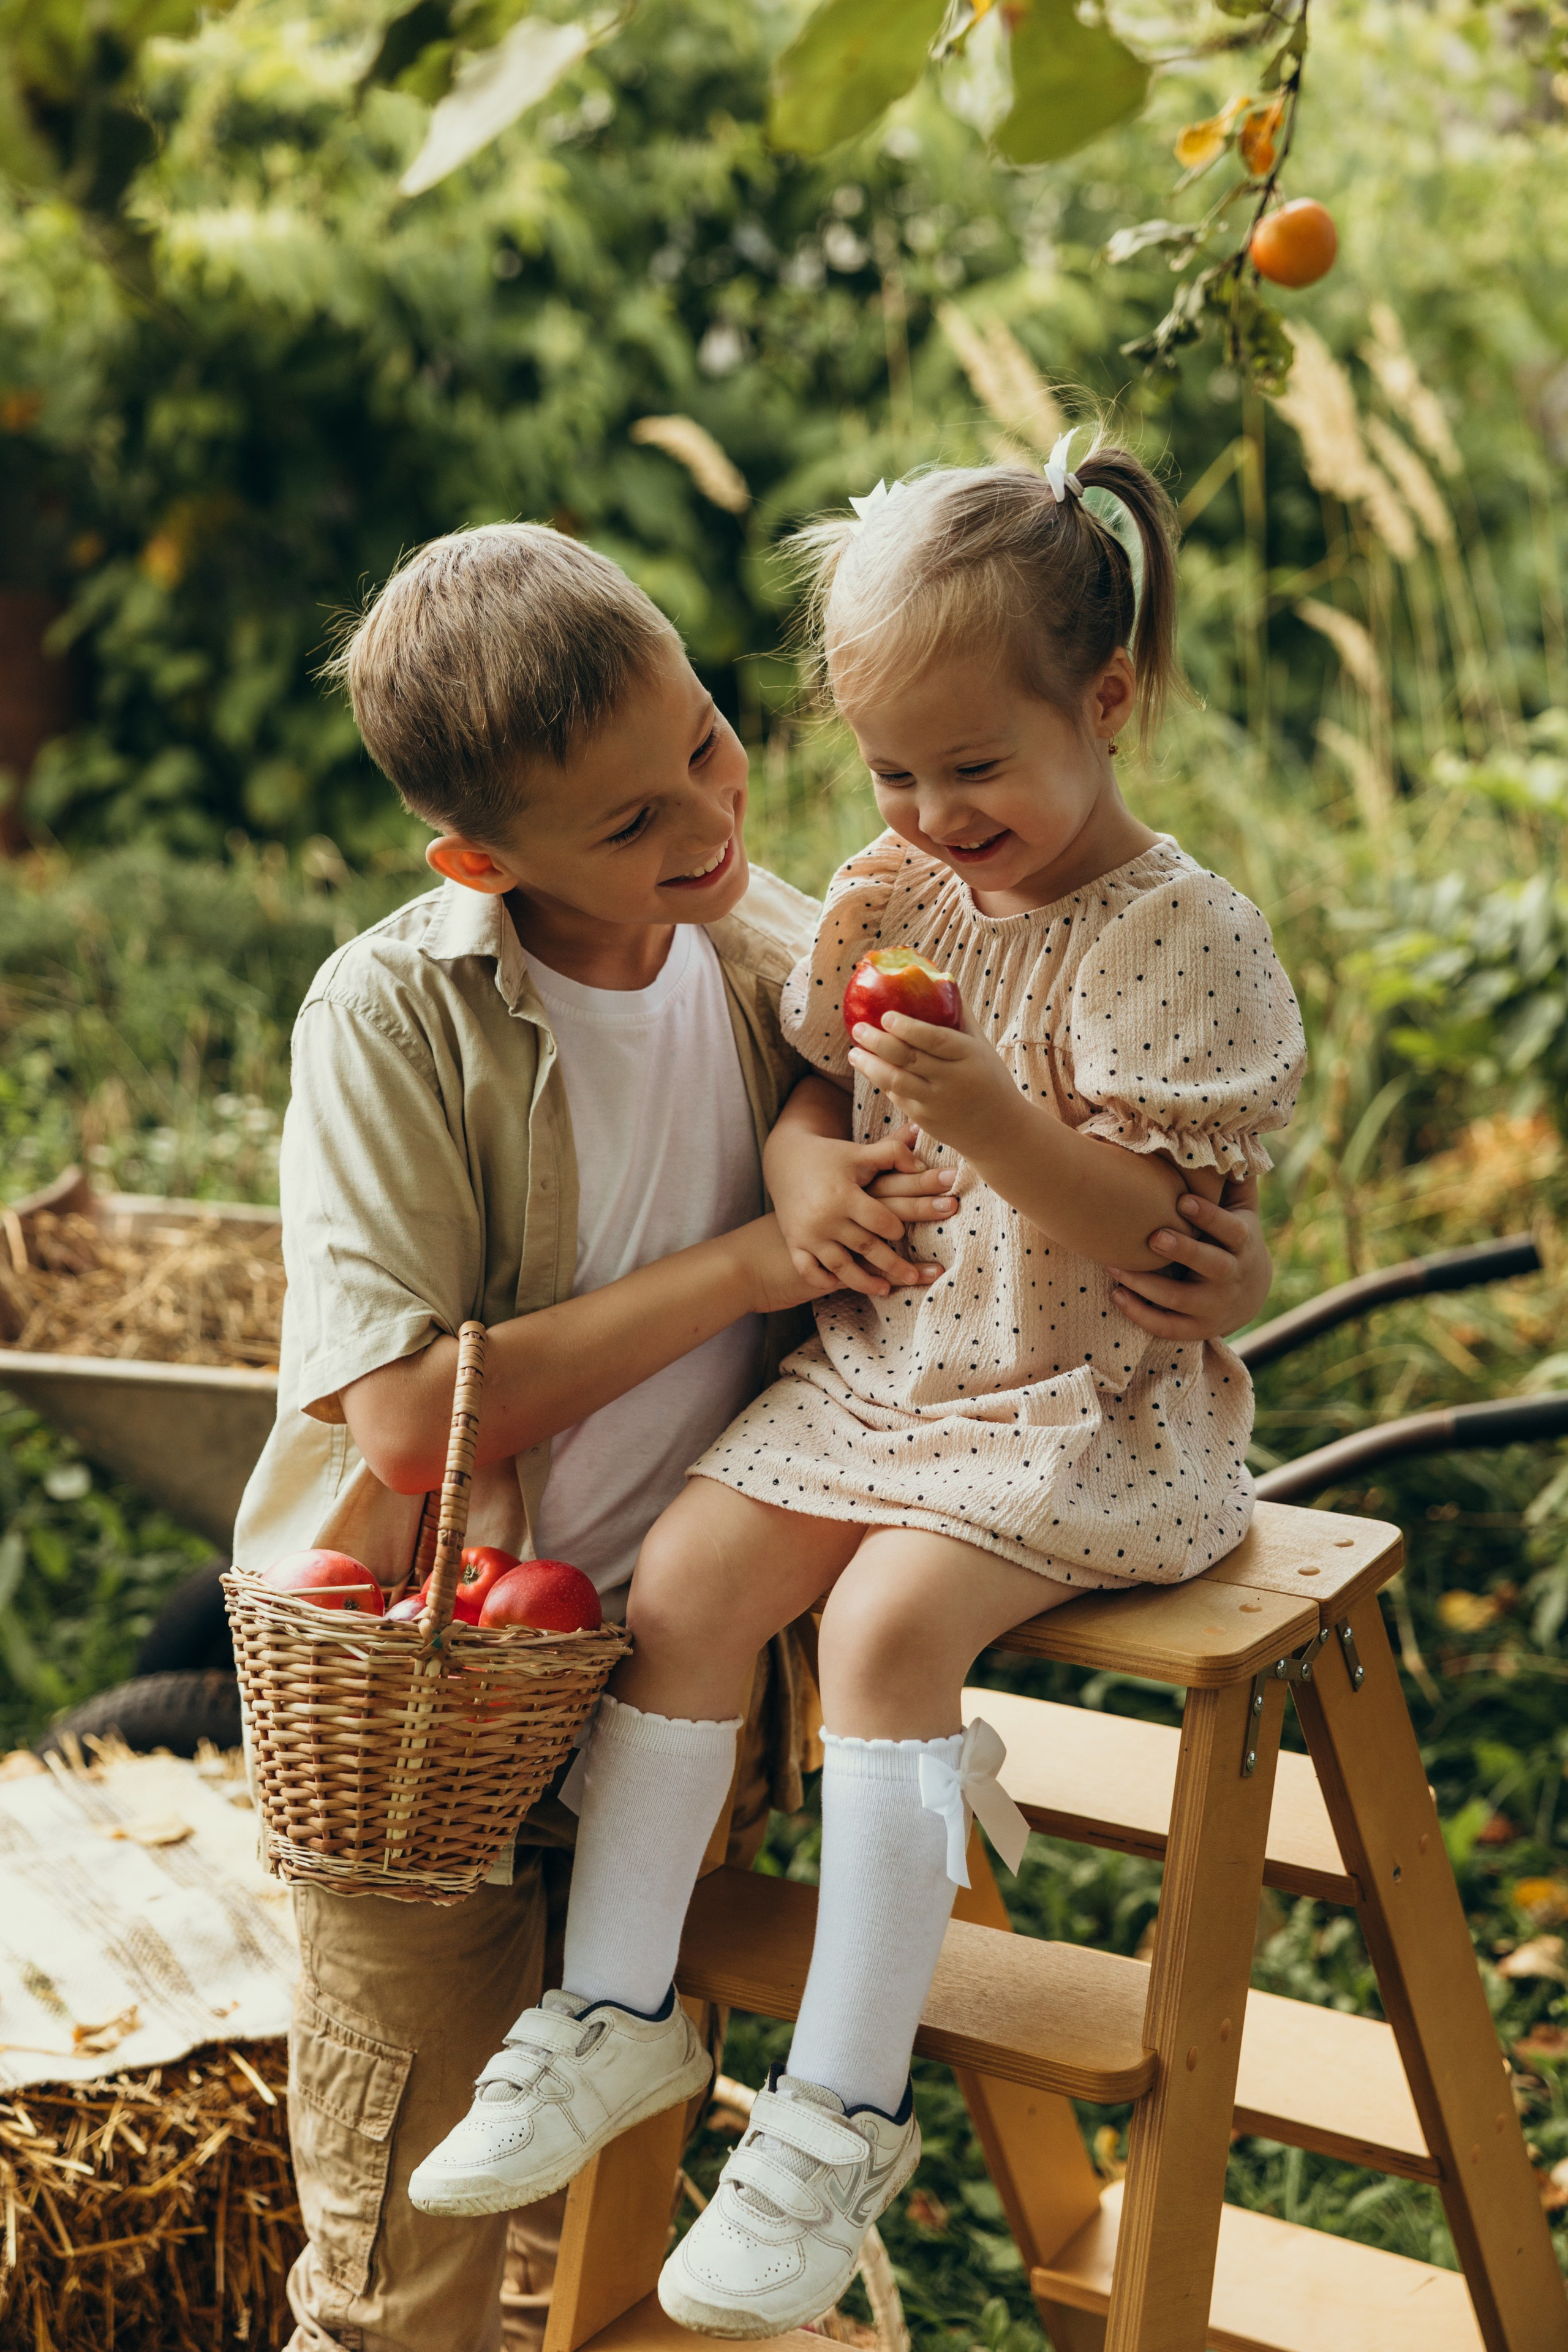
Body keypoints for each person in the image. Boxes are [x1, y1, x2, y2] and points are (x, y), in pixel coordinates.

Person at [233, 516, 1273, 2352]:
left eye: (709, 745)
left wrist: (1194, 1240)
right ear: (481, 860)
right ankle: (609, 2048)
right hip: (457, 1698)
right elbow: (405, 1418)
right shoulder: (401, 1017)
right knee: (403, 2286)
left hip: (699, 1677)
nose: (708, 829)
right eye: (629, 823)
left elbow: (926, 1112)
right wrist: (764, 1247)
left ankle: (733, 2081)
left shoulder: (778, 929)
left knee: (624, 2282)